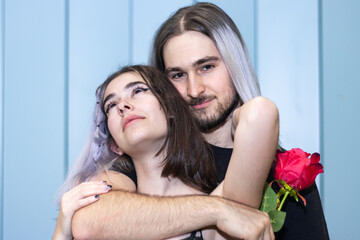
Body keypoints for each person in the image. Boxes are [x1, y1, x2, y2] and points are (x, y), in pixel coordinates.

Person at [70, 2, 328, 239]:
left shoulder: (287, 174)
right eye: (178, 75)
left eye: (206, 67)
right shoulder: (153, 158)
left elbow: (260, 113)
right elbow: (89, 220)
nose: (194, 90)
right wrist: (218, 210)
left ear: (234, 64)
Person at [53, 65, 278, 240]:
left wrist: (221, 208)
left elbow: (260, 113)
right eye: (111, 106)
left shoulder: (224, 206)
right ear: (115, 145)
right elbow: (88, 224)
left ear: (171, 109)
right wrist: (61, 234)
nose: (123, 105)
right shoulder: (103, 202)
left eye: (139, 91)